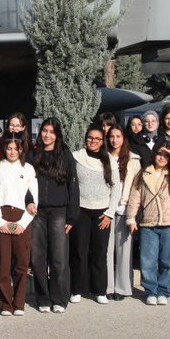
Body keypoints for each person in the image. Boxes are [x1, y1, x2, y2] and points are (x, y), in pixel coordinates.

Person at [125, 145, 170, 306]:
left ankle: (163, 290)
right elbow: (135, 197)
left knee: (168, 261)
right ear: (153, 156)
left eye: (165, 155)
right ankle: (151, 291)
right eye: (159, 155)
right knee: (148, 260)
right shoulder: (143, 174)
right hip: (149, 223)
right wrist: (131, 218)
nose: (162, 158)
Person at [27, 117, 78, 313]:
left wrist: (72, 217)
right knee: (38, 257)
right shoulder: (33, 154)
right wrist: (29, 201)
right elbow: (25, 183)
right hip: (38, 212)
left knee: (58, 258)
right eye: (44, 131)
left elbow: (73, 186)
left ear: (57, 134)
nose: (47, 135)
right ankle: (43, 299)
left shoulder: (65, 155)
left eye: (51, 131)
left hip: (59, 211)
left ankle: (59, 298)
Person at [0, 137, 39, 316]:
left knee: (22, 263)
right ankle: (6, 304)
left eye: (16, 149)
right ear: (4, 149)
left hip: (21, 216)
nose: (12, 152)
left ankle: (19, 303)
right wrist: (0, 222)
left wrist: (23, 223)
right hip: (2, 215)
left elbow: (34, 197)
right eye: (9, 148)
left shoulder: (28, 169)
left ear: (21, 150)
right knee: (3, 262)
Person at [71, 124, 122, 304]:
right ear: (85, 139)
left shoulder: (109, 160)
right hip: (81, 210)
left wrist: (110, 213)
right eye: (90, 138)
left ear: (103, 141)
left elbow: (117, 186)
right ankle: (77, 289)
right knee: (79, 251)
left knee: (100, 252)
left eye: (97, 139)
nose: (93, 141)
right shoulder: (77, 157)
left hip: (102, 212)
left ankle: (99, 290)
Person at [106, 125, 140, 300]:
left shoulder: (134, 159)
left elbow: (136, 188)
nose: (114, 140)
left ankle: (122, 287)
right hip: (106, 210)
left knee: (124, 250)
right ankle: (107, 286)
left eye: (118, 136)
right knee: (106, 250)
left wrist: (132, 214)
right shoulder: (103, 157)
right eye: (111, 136)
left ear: (124, 138)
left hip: (124, 209)